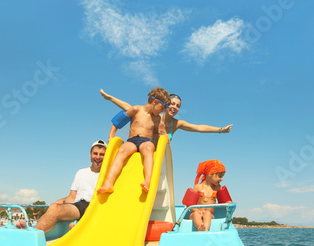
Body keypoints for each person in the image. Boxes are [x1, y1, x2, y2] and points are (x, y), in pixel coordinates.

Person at [14, 140, 107, 232]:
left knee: (89, 212)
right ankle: (33, 232)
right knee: (54, 208)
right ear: (90, 154)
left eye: (102, 154)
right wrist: (52, 206)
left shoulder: (108, 175)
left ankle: (77, 233)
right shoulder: (81, 172)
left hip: (94, 205)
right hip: (77, 205)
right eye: (95, 153)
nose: (98, 157)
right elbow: (71, 197)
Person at [97, 87, 171, 194]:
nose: (162, 111)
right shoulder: (136, 109)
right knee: (122, 150)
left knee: (149, 148)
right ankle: (109, 183)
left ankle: (148, 180)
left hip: (146, 141)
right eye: (162, 107)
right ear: (155, 102)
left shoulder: (157, 119)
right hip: (132, 141)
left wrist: (164, 136)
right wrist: (111, 136)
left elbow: (158, 133)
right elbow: (118, 121)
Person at [100, 89, 233, 142]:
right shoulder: (153, 115)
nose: (174, 107)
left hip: (159, 160)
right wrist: (110, 98)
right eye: (172, 104)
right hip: (140, 153)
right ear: (165, 104)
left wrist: (221, 130)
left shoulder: (176, 124)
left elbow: (199, 128)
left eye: (178, 106)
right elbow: (129, 108)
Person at [189, 159, 226, 231]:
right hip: (196, 214)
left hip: (210, 215)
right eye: (220, 176)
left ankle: (205, 228)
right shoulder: (198, 187)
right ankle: (200, 226)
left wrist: (228, 202)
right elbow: (189, 204)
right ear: (210, 174)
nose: (221, 179)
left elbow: (226, 202)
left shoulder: (217, 188)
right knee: (196, 214)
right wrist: (197, 210)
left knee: (208, 213)